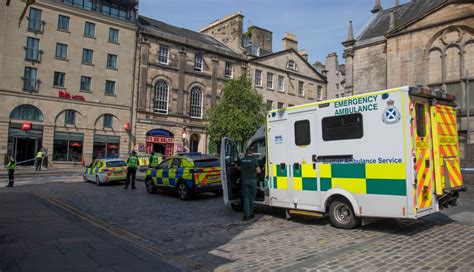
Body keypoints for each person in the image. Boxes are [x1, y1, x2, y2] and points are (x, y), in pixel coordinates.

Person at [236, 148, 261, 221]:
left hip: (244, 181)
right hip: (252, 180)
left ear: (246, 153)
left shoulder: (242, 160)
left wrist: (242, 170)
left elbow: (238, 167)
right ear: (252, 153)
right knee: (251, 198)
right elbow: (258, 171)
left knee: (246, 198)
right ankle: (251, 213)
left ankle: (246, 216)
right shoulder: (254, 160)